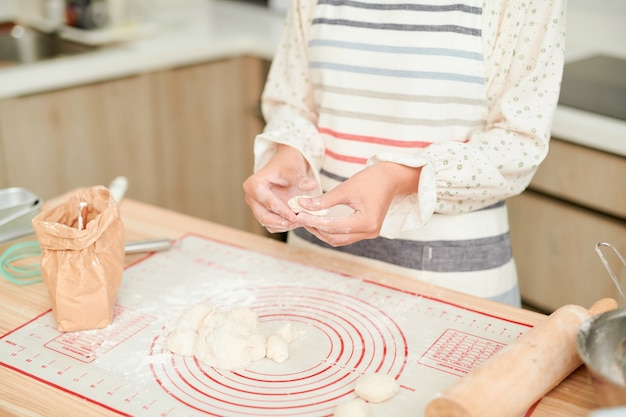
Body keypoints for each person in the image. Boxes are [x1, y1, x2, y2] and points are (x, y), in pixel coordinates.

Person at [243, 0, 567, 307]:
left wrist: (402, 177)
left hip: (451, 284)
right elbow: (293, 101)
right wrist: (289, 153)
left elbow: (518, 142)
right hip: (315, 267)